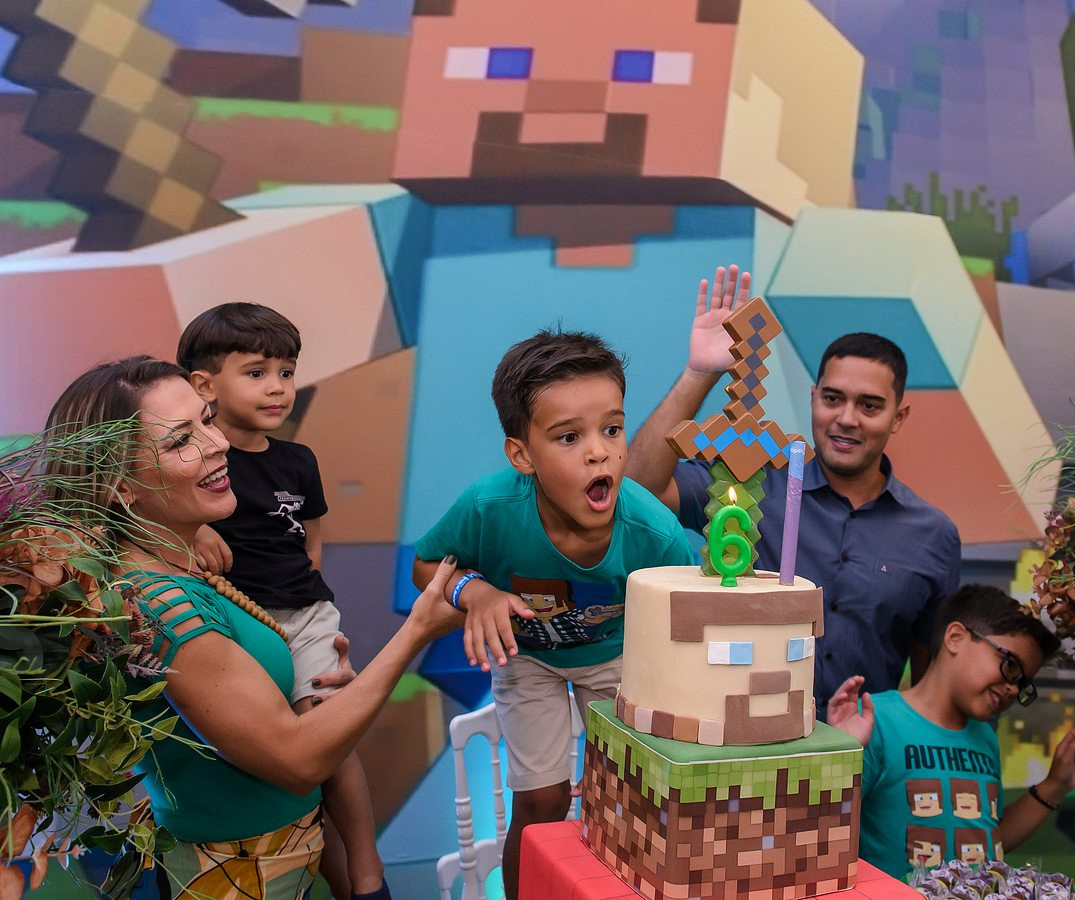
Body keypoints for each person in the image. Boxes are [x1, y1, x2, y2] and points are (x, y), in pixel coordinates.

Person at [44, 356, 465, 899]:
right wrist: (417, 630)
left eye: (206, 420)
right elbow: (297, 761)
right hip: (237, 874)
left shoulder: (176, 567)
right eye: (181, 441)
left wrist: (326, 702)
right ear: (120, 487)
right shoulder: (161, 606)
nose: (218, 444)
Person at [411, 330, 694, 899]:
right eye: (569, 437)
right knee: (541, 801)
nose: (599, 452)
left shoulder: (655, 531)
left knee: (625, 797)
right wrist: (475, 592)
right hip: (530, 657)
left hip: (616, 656)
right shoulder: (489, 507)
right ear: (522, 456)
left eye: (612, 430)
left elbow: (681, 622)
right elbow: (426, 566)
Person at [626, 264, 961, 713]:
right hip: (743, 733)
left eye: (870, 405)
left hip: (859, 748)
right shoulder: (749, 477)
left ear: (898, 417)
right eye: (833, 398)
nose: (846, 418)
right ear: (813, 398)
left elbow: (930, 688)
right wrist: (700, 372)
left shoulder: (934, 535)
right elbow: (639, 489)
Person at [175, 302, 385, 900]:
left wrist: (305, 598)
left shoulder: (298, 460)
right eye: (257, 372)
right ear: (204, 386)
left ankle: (366, 872)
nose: (278, 387)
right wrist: (197, 531)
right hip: (236, 623)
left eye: (286, 373)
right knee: (292, 760)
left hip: (306, 613)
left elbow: (311, 537)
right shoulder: (195, 464)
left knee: (326, 732)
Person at [826, 584, 1075, 881]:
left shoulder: (985, 738)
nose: (1013, 688)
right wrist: (839, 756)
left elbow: (986, 843)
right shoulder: (873, 721)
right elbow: (822, 831)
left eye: (1023, 684)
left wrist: (1055, 785)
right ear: (955, 638)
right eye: (1010, 665)